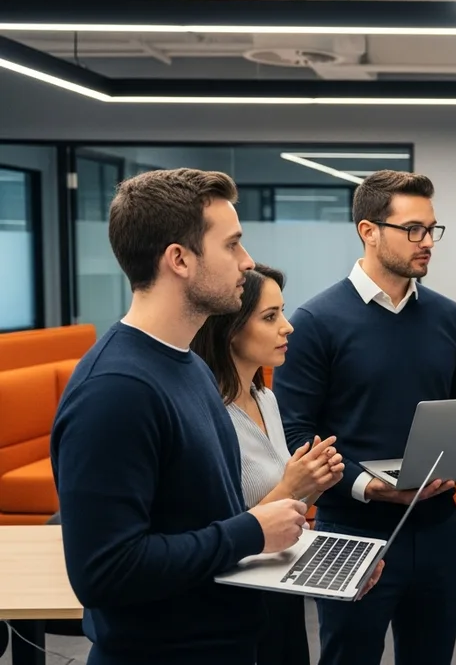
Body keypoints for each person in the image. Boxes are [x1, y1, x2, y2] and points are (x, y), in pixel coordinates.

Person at [49, 169, 312, 665]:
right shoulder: (114, 391)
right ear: (180, 260)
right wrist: (253, 531)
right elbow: (105, 572)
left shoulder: (189, 364)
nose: (247, 261)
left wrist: (300, 561)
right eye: (232, 245)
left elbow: (203, 522)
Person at [272, 170, 456, 665]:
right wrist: (372, 487)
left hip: (436, 527)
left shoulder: (449, 317)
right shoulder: (315, 321)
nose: (427, 242)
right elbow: (296, 434)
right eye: (413, 230)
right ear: (368, 231)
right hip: (350, 529)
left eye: (432, 229)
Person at [191, 263, 352, 665]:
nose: (288, 327)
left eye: (282, 312)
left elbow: (282, 505)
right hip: (234, 601)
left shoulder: (267, 399)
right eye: (270, 317)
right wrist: (292, 485)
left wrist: (315, 481)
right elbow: (224, 532)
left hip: (277, 587)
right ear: (230, 329)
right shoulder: (209, 413)